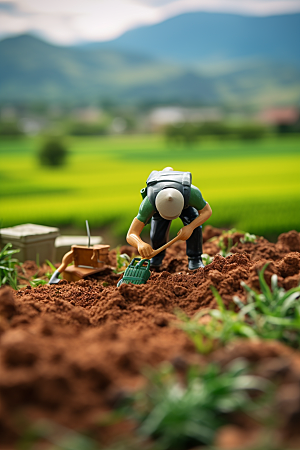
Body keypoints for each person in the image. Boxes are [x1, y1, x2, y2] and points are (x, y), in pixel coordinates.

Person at [126, 167, 212, 270]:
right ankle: (156, 258)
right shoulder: (149, 202)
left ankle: (195, 259)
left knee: (194, 224)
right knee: (157, 231)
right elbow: (131, 234)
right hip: (159, 207)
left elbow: (207, 211)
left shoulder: (192, 193)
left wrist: (191, 227)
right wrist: (140, 244)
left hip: (185, 204)